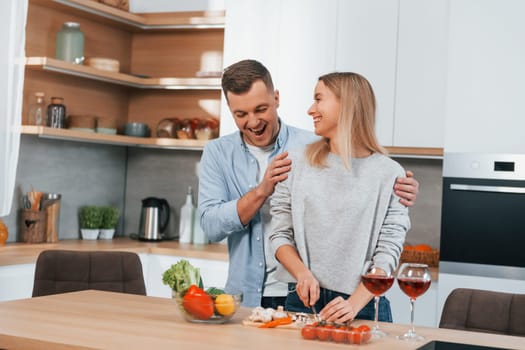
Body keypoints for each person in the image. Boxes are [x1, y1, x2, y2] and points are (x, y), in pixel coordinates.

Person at [198, 60, 418, 308]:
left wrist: (398, 188)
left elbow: (365, 192)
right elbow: (211, 227)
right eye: (241, 114)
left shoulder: (314, 145)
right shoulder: (219, 153)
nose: (253, 121)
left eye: (260, 109)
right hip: (253, 292)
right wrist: (261, 192)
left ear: (276, 99)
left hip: (300, 293)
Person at [269, 72, 410, 323]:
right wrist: (302, 274)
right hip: (302, 302)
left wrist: (353, 305)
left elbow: (388, 252)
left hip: (363, 306)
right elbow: (279, 234)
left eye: (318, 99)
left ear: (347, 104)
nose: (310, 109)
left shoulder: (389, 174)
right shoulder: (295, 162)